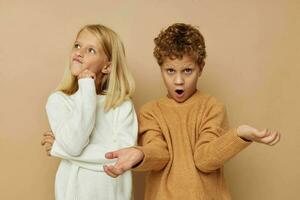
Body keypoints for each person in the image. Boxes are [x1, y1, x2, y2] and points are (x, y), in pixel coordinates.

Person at [103, 23, 281, 200]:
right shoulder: (150, 111)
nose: (179, 80)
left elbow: (205, 159)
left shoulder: (212, 107)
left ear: (201, 68)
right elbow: (159, 153)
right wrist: (140, 153)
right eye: (170, 71)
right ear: (161, 69)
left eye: (187, 71)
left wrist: (239, 135)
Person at [41, 24, 137, 200]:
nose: (79, 52)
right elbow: (74, 144)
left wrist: (58, 149)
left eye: (91, 50)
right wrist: (86, 87)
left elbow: (122, 157)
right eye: (77, 46)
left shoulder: (121, 104)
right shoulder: (59, 101)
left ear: (107, 66)